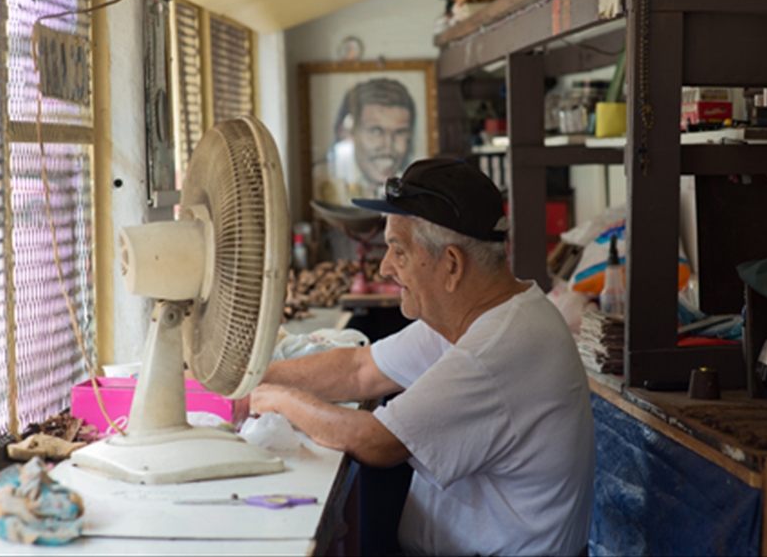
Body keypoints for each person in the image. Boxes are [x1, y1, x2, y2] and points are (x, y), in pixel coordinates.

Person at [250, 158, 595, 556]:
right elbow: (360, 369)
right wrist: (252, 378)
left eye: (399, 251)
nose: (385, 267)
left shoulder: (499, 346)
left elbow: (375, 441)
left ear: (451, 264)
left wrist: (277, 399)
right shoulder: (479, 315)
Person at [315, 78, 416, 203]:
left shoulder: (415, 184)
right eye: (375, 131)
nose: (388, 146)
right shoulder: (321, 174)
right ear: (350, 132)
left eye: (399, 132)